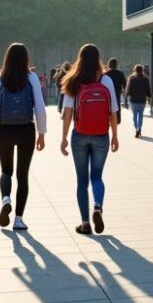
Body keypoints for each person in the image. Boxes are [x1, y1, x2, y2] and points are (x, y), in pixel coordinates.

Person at [0, 43, 47, 231]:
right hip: (26, 129)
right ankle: (18, 220)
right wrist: (42, 133)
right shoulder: (32, 77)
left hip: (5, 129)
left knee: (6, 171)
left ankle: (5, 199)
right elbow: (40, 107)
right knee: (22, 175)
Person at [59, 44, 121, 235]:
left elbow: (68, 113)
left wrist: (63, 138)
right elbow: (113, 112)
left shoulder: (73, 81)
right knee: (96, 176)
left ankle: (85, 223)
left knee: (81, 181)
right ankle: (97, 207)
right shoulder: (106, 80)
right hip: (101, 135)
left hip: (79, 134)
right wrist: (115, 136)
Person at [126, 64, 153, 137]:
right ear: (142, 70)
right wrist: (149, 96)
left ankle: (136, 128)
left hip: (133, 100)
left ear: (135, 70)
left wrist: (127, 96)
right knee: (140, 114)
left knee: (135, 114)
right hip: (142, 100)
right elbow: (148, 89)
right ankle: (139, 127)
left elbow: (128, 89)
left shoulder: (131, 78)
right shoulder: (145, 79)